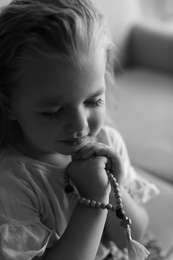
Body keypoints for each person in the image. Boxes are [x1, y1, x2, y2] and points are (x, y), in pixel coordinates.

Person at [0, 0, 160, 260]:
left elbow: (132, 238)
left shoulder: (107, 140)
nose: (81, 125)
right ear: (8, 105)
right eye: (53, 112)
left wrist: (113, 186)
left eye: (93, 101)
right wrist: (95, 196)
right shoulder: (13, 181)